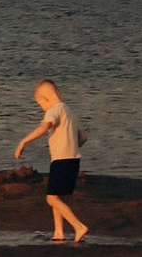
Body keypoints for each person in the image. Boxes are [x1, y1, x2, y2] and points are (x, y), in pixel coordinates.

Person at [14, 78, 89, 243]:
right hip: (73, 160)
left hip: (61, 160)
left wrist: (23, 141)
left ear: (45, 99)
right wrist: (70, 144)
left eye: (40, 105)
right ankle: (58, 232)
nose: (42, 108)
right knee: (56, 196)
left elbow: (44, 127)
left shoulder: (54, 110)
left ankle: (78, 226)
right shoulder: (69, 111)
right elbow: (83, 137)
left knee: (51, 199)